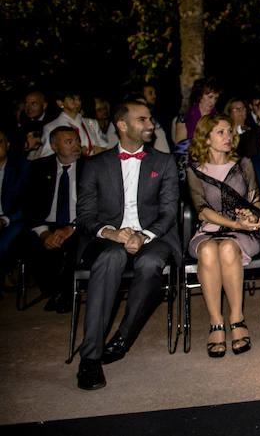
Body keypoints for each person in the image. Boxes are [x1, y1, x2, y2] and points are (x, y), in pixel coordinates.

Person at [75, 101, 179, 390]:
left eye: (150, 119)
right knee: (110, 260)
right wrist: (112, 234)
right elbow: (84, 216)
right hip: (109, 239)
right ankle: (91, 358)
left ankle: (123, 337)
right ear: (122, 124)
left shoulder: (163, 162)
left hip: (152, 237)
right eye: (142, 120)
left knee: (150, 263)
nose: (150, 125)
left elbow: (169, 212)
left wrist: (142, 236)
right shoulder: (95, 165)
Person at [187, 114, 260, 357]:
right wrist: (234, 223)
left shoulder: (244, 164)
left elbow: (255, 201)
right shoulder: (195, 170)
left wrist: (251, 218)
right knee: (209, 249)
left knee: (228, 247)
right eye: (221, 132)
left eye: (229, 132)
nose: (228, 137)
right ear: (205, 137)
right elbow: (202, 211)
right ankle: (216, 322)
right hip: (209, 230)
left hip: (241, 234)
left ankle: (237, 319)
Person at [22, 126, 82, 311]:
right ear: (54, 146)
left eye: (77, 141)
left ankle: (64, 294)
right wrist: (44, 234)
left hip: (78, 223)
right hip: (48, 224)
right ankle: (54, 291)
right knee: (30, 245)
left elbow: (98, 206)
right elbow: (30, 206)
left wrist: (72, 227)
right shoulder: (39, 168)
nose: (76, 146)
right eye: (69, 142)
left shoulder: (90, 166)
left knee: (77, 247)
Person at [39, 90, 108, 158]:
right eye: (72, 99)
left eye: (79, 99)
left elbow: (104, 145)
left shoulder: (91, 123)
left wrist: (102, 150)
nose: (77, 103)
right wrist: (78, 153)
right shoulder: (51, 127)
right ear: (60, 103)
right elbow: (47, 156)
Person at [0, 129, 29, 280]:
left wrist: (5, 220)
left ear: (8, 144)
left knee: (4, 245)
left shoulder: (21, 167)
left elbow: (28, 202)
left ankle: (6, 273)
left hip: (13, 219)